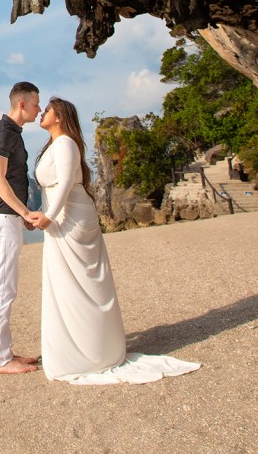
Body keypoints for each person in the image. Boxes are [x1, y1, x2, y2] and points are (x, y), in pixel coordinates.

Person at [30, 97, 200, 385]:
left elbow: (67, 184)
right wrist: (41, 214)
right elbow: (54, 188)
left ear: (59, 117)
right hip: (60, 217)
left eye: (47, 109)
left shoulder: (66, 143)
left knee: (81, 282)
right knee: (64, 283)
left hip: (72, 218)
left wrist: (48, 216)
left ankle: (93, 353)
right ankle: (74, 349)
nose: (42, 113)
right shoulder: (53, 146)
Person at [0, 81, 42, 374]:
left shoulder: (12, 133)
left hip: (7, 216)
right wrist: (25, 212)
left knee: (7, 287)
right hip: (1, 217)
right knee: (3, 289)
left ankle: (6, 353)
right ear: (21, 104)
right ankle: (2, 360)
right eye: (35, 104)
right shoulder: (3, 133)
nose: (39, 110)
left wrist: (22, 214)